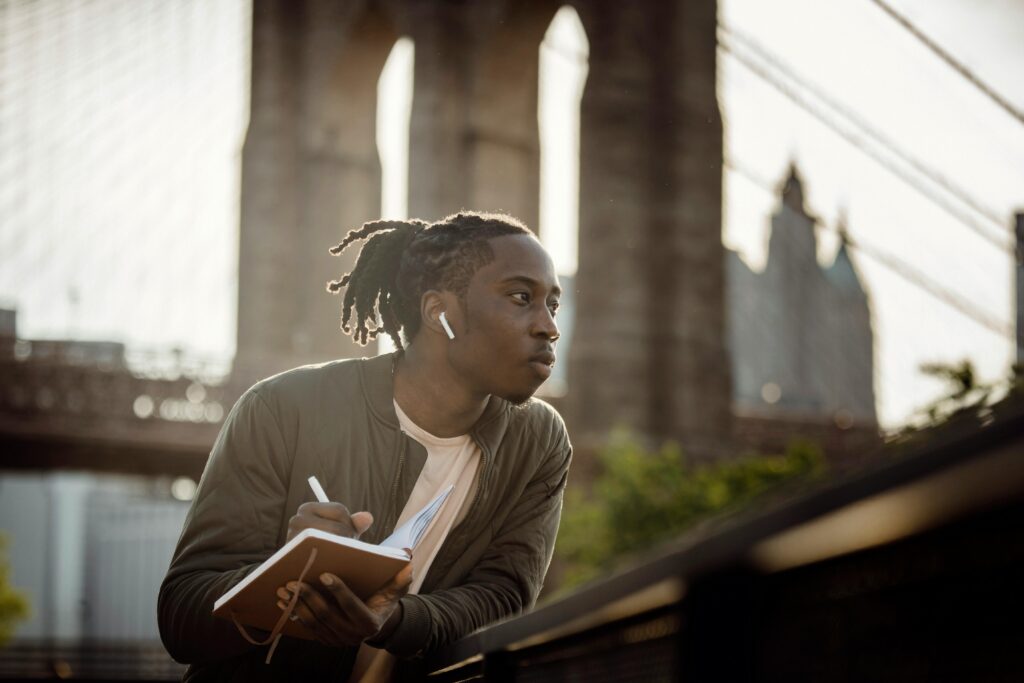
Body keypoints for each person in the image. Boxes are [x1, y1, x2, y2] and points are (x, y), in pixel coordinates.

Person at [158, 211, 572, 681]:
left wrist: (392, 621)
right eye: (521, 298)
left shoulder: (540, 442)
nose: (549, 327)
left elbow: (503, 599)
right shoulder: (282, 407)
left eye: (553, 305)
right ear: (440, 313)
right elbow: (181, 617)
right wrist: (284, 574)